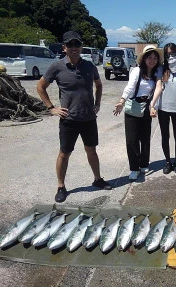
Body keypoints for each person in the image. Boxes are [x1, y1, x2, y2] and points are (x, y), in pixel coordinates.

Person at [37, 30, 112, 203]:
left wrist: (98, 104)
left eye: (76, 44)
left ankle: (97, 179)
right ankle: (61, 186)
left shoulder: (90, 66)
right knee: (65, 153)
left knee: (91, 150)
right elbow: (41, 87)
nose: (74, 48)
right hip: (68, 121)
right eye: (69, 45)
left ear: (81, 46)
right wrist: (51, 108)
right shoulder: (57, 67)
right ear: (64, 47)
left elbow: (98, 85)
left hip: (88, 119)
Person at [114, 45, 163, 181]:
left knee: (145, 137)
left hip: (147, 106)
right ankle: (134, 168)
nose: (152, 60)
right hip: (133, 106)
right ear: (144, 58)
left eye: (155, 58)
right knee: (131, 140)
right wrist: (122, 100)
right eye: (149, 57)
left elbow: (159, 88)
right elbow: (130, 86)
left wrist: (154, 106)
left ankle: (144, 163)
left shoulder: (157, 72)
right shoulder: (136, 70)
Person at [149, 43, 176, 175]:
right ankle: (168, 162)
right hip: (163, 109)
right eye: (167, 54)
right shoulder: (161, 70)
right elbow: (157, 87)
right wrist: (153, 105)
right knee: (165, 136)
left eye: (173, 54)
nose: (170, 57)